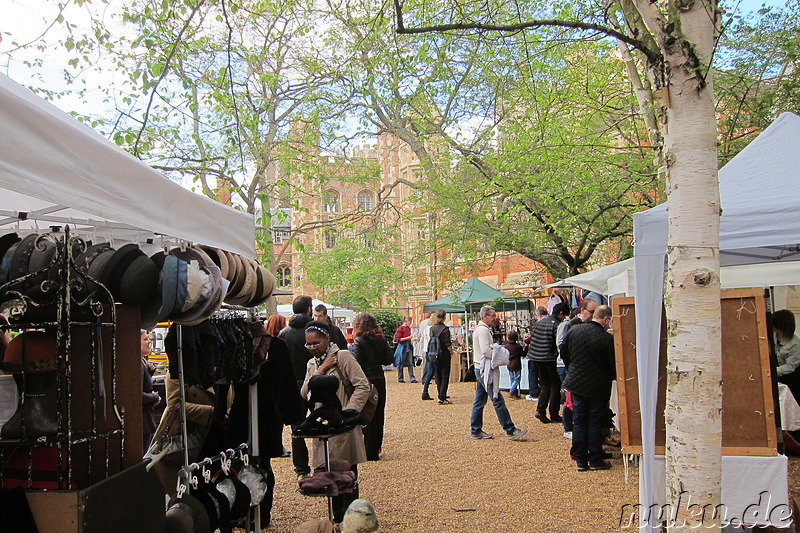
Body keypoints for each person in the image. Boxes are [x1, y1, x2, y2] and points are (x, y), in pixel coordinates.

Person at [300, 321, 370, 525]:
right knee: (328, 476)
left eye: (316, 342)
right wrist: (320, 370)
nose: (313, 347)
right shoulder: (312, 364)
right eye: (309, 344)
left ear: (327, 339)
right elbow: (305, 393)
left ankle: (351, 520)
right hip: (322, 427)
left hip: (344, 428)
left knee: (347, 475)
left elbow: (362, 385)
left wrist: (349, 413)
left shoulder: (343, 357)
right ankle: (336, 520)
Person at [561, 305, 616, 471]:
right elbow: (612, 365)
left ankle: (580, 458)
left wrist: (573, 367)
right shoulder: (605, 338)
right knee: (594, 421)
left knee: (579, 420)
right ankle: (595, 457)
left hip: (577, 382)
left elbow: (564, 351)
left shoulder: (574, 330)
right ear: (605, 319)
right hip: (597, 385)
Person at [469, 306, 527, 440]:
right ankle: (510, 429)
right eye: (492, 315)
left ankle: (476, 429)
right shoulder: (483, 331)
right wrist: (499, 355)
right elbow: (485, 350)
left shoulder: (481, 329)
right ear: (485, 316)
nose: (495, 318)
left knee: (480, 400)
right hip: (484, 369)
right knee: (497, 399)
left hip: (480, 368)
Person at [279, 294, 315, 478]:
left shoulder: (284, 334)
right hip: (315, 383)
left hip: (293, 386)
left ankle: (301, 469)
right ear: (309, 309)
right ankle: (323, 464)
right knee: (323, 424)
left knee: (297, 429)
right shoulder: (317, 331)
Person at [348, 313, 393, 460]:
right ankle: (375, 448)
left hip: (364, 380)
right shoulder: (381, 339)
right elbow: (388, 359)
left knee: (365, 414)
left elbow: (355, 362)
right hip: (379, 378)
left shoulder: (359, 341)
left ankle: (366, 448)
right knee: (379, 413)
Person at [556, 298, 598, 438]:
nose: (593, 314)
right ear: (582, 310)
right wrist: (571, 364)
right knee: (570, 399)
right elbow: (562, 346)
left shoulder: (589, 325)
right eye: (591, 311)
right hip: (570, 368)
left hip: (582, 370)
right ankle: (568, 427)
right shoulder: (571, 325)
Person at [529, 302, 570, 424]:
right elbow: (557, 343)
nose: (565, 318)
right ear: (561, 313)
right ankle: (554, 413)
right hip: (548, 358)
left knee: (545, 384)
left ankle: (541, 410)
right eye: (565, 315)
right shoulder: (556, 325)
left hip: (536, 357)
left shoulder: (541, 322)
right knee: (555, 386)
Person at [140, 330, 161, 453]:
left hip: (146, 421)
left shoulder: (142, 362)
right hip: (143, 423)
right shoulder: (137, 364)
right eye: (145, 339)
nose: (149, 341)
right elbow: (137, 395)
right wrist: (154, 397)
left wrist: (149, 372)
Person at [428, 309, 454, 404]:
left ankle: (440, 394)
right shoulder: (445, 329)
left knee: (437, 376)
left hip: (434, 354)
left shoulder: (432, 329)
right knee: (444, 376)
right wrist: (452, 352)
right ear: (444, 318)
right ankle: (442, 397)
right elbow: (448, 344)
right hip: (444, 354)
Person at [774, 309, 800, 403]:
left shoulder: (795, 343)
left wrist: (772, 371)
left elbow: (790, 366)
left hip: (791, 379)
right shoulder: (773, 336)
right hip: (777, 375)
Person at [524, 306, 548, 401]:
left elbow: (533, 337)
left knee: (533, 373)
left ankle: (534, 393)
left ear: (539, 314)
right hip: (546, 353)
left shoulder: (538, 324)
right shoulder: (552, 322)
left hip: (535, 353)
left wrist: (526, 340)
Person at [394, 316, 417, 383]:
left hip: (408, 346)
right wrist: (408, 338)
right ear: (406, 321)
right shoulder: (400, 329)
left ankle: (412, 378)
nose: (410, 323)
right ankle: (400, 377)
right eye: (410, 322)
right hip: (402, 346)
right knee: (400, 361)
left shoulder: (408, 328)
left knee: (410, 362)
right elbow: (398, 339)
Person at [505, 330, 524, 400]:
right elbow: (523, 354)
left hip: (509, 363)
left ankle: (514, 393)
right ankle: (512, 391)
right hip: (516, 364)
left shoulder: (506, 346)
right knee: (517, 379)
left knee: (512, 379)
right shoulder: (518, 346)